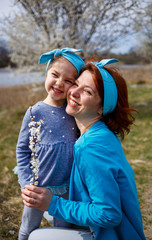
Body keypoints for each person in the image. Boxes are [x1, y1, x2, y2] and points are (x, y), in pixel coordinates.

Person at [21, 58, 146, 240]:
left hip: (108, 235)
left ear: (102, 108)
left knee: (35, 237)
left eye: (87, 91)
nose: (73, 92)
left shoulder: (90, 147)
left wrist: (54, 203)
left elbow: (108, 214)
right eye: (76, 84)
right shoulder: (102, 133)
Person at [16, 47, 85, 240]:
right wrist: (26, 183)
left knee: (64, 229)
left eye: (68, 80)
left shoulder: (73, 113)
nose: (59, 83)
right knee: (28, 226)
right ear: (46, 74)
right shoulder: (34, 112)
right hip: (38, 185)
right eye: (55, 75)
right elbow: (22, 150)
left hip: (65, 187)